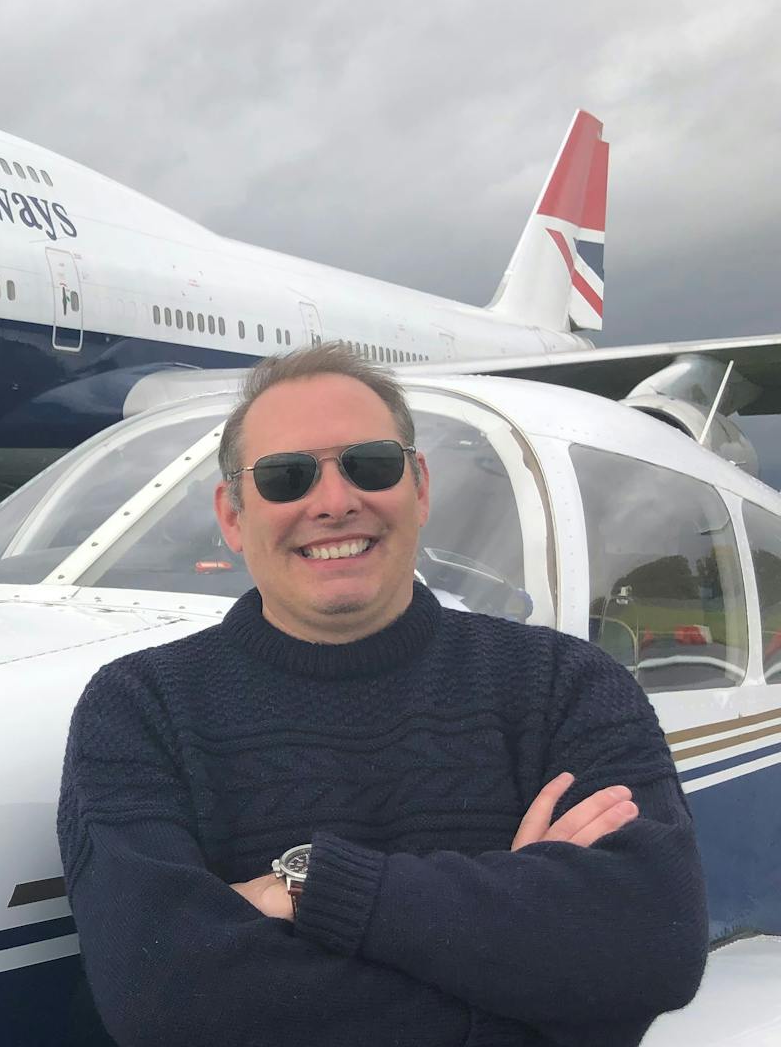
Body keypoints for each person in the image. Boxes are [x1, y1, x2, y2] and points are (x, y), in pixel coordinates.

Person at [57, 343, 707, 1046]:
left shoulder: (565, 683)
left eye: (371, 465)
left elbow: (651, 944)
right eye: (285, 478)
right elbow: (169, 1001)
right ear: (234, 515)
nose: (335, 503)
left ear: (419, 486)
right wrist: (519, 940)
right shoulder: (138, 709)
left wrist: (312, 889)